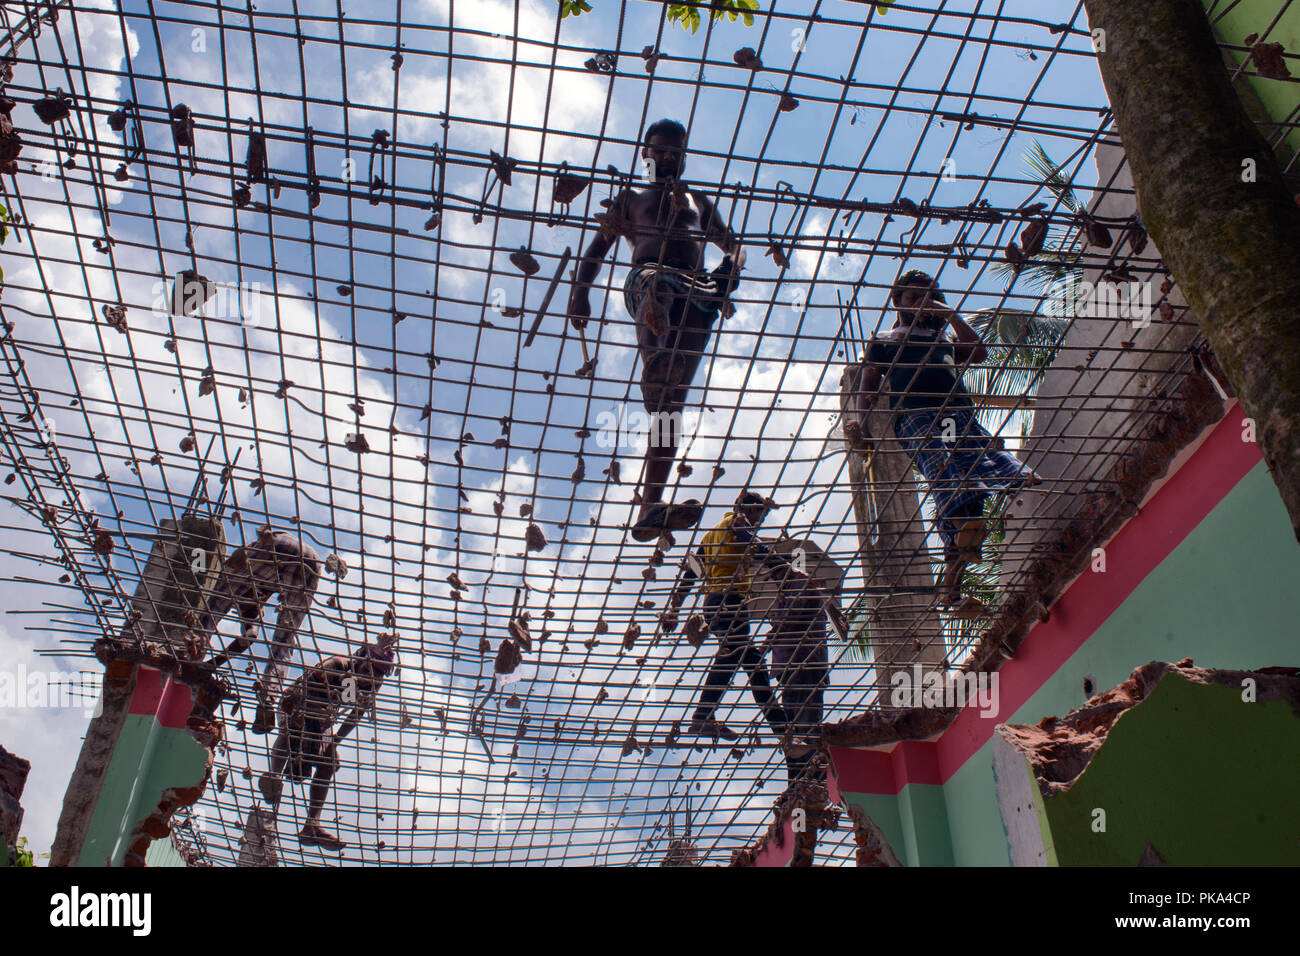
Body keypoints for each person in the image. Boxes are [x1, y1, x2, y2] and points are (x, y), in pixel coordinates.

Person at [568, 119, 746, 542]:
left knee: (671, 405)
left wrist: (729, 270)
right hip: (649, 277)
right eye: (660, 150)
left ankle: (651, 504)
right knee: (656, 285)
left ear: (684, 155)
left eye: (675, 151)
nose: (668, 157)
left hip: (698, 288)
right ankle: (658, 359)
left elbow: (733, 245)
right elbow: (596, 249)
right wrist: (580, 293)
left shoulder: (698, 200)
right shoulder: (629, 201)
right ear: (645, 154)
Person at [851, 269, 1039, 613]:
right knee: (943, 465)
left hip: (956, 413)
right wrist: (861, 427)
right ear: (897, 302)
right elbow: (868, 385)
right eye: (912, 298)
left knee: (972, 484)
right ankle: (963, 525)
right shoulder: (884, 340)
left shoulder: (943, 338)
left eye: (928, 298)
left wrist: (949, 314)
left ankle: (950, 589)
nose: (920, 304)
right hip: (917, 414)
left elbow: (978, 352)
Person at [661, 491, 793, 742]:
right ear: (749, 510)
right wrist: (782, 566)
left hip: (713, 606)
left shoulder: (711, 534)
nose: (760, 521)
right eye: (760, 515)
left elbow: (690, 573)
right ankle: (703, 716)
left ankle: (783, 730)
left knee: (754, 666)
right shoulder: (737, 522)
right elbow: (754, 544)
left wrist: (675, 609)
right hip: (729, 602)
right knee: (731, 658)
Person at [258, 633, 398, 852]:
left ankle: (311, 825)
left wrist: (334, 742)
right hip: (297, 702)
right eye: (372, 670)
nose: (374, 677)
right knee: (290, 732)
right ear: (362, 660)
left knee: (330, 761)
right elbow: (302, 690)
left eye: (380, 674)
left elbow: (354, 716)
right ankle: (273, 777)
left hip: (322, 717)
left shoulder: (369, 685)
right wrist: (310, 716)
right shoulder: (338, 665)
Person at [199, 525, 320, 733]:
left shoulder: (243, 591)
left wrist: (209, 663)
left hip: (278, 547)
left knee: (213, 608)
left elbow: (243, 629)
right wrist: (213, 664)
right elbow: (250, 636)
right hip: (312, 563)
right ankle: (268, 699)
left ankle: (192, 649)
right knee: (284, 639)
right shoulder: (254, 604)